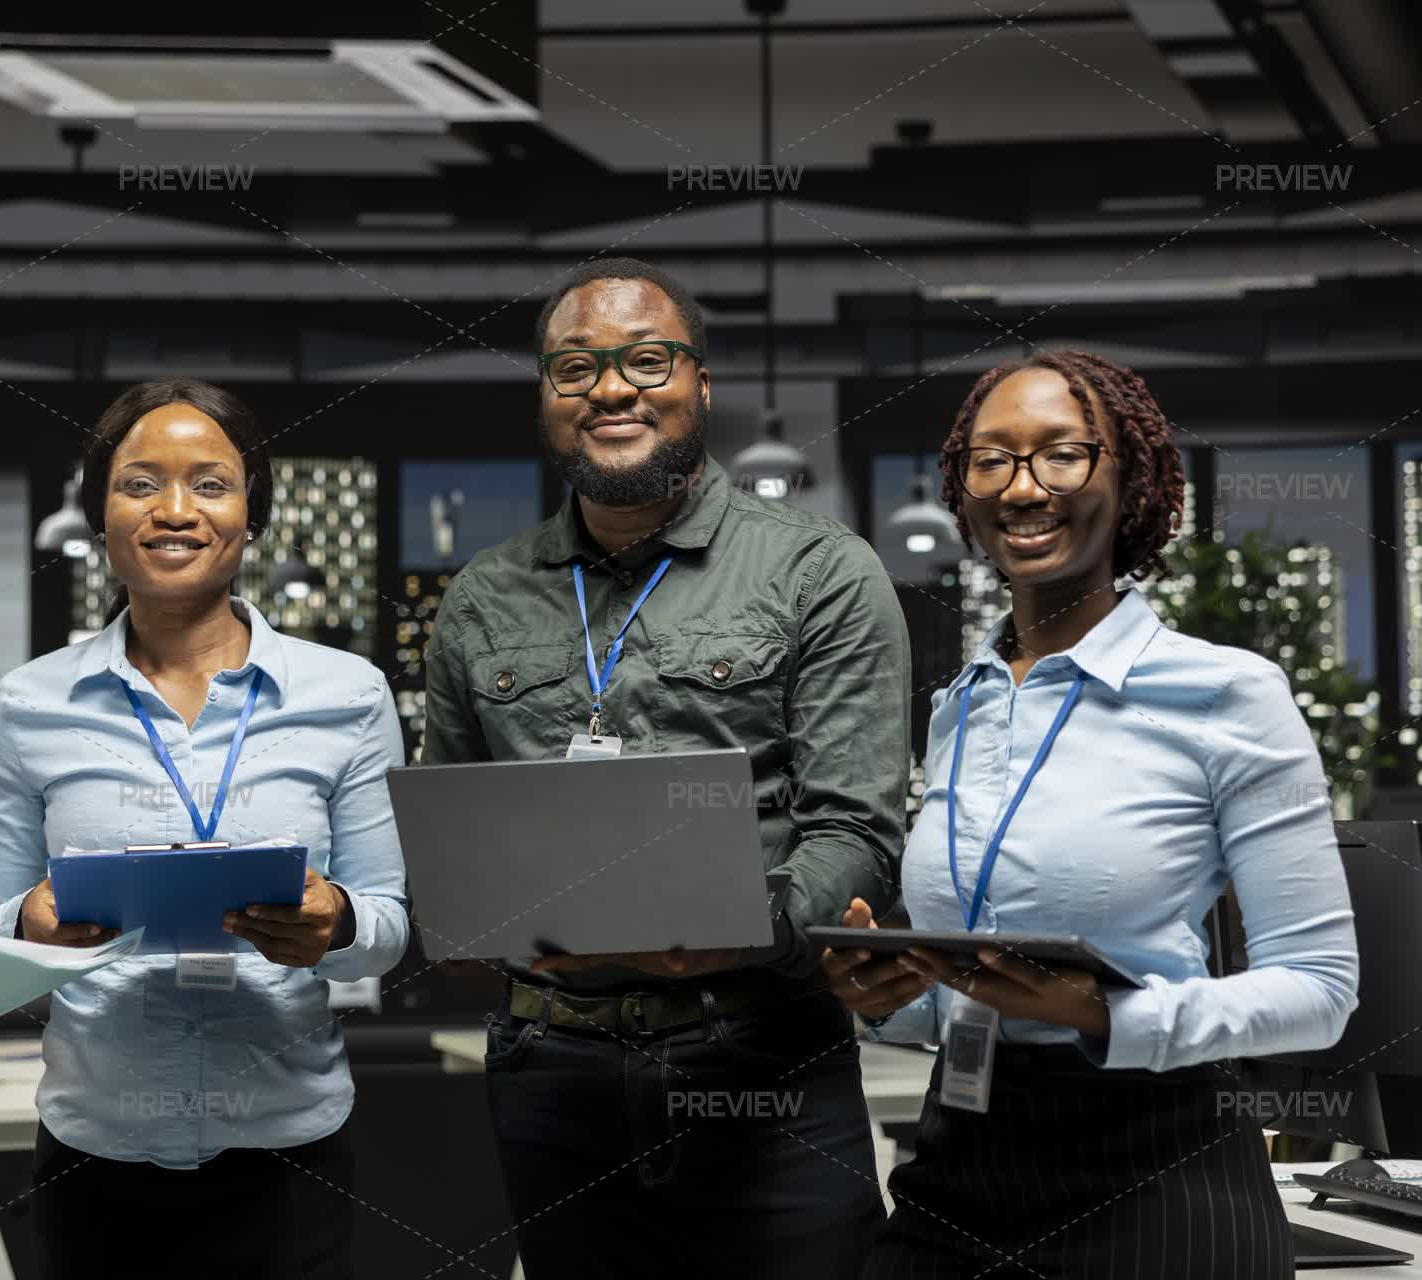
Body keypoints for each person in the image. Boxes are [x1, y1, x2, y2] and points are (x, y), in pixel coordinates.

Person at [418, 257, 912, 1278]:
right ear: (547, 397)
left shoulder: (820, 571)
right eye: (575, 368)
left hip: (762, 1054)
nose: (610, 389)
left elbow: (856, 831)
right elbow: (452, 832)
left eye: (646, 360)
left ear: (701, 384)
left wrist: (740, 928)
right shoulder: (480, 600)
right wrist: (469, 919)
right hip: (551, 1067)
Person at [825, 349, 1359, 1279]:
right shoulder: (963, 704)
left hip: (1156, 1164)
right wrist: (890, 1002)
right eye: (992, 460)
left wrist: (1106, 1013)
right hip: (962, 1154)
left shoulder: (1228, 693)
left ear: (1130, 478)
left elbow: (1320, 991)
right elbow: (980, 988)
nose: (1024, 486)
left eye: (1062, 454)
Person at [0, 377, 409, 1280]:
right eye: (140, 484)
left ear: (252, 513)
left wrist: (336, 923)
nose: (175, 511)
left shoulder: (351, 697)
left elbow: (389, 929)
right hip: (96, 1160)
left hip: (289, 1156)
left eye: (211, 483)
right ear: (100, 514)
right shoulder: (26, 705)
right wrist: (28, 928)